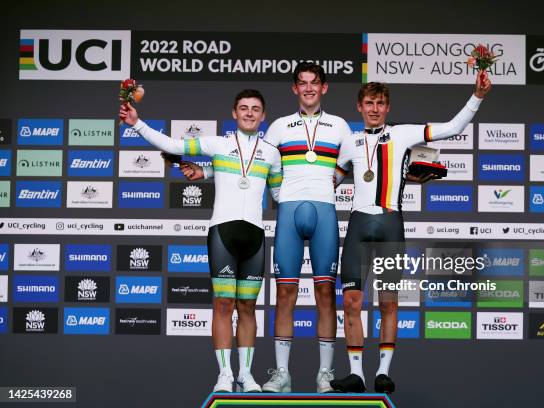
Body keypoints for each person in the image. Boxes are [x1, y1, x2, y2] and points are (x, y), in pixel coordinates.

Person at [330, 73, 492, 394]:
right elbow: (329, 181)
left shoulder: (403, 134)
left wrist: (477, 96)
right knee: (351, 301)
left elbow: (452, 128)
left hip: (390, 223)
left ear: (388, 107)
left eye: (380, 103)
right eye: (369, 103)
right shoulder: (348, 141)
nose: (374, 108)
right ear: (359, 107)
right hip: (359, 224)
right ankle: (356, 375)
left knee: (389, 302)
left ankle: (383, 372)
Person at [119, 89, 283, 393]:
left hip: (255, 236)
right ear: (234, 114)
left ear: (264, 115)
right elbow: (173, 144)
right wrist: (137, 123)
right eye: (244, 108)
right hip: (222, 232)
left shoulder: (272, 152)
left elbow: (279, 194)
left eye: (255, 109)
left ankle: (246, 375)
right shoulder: (218, 143)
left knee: (247, 306)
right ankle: (224, 374)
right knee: (223, 304)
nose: (249, 113)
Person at [261, 62, 352, 393]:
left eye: (315, 83)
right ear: (294, 89)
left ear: (324, 88)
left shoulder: (339, 126)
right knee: (284, 293)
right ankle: (281, 374)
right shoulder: (279, 126)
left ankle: (324, 375)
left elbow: (352, 164)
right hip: (288, 212)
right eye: (303, 83)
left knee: (325, 293)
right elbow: (266, 166)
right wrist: (281, 194)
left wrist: (329, 184)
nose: (309, 88)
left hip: (324, 210)